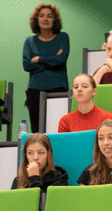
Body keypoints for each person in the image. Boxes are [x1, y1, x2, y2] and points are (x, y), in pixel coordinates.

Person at [23, 3, 69, 133]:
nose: (45, 19)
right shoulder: (29, 41)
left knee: (58, 130)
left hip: (59, 90)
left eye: (49, 16)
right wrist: (52, 59)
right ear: (36, 20)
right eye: (42, 16)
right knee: (37, 132)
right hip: (34, 91)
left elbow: (61, 60)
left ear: (55, 20)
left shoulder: (63, 37)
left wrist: (39, 59)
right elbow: (26, 65)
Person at [78, 119, 112, 186]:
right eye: (101, 138)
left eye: (111, 137)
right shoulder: (89, 172)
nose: (105, 143)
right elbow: (83, 196)